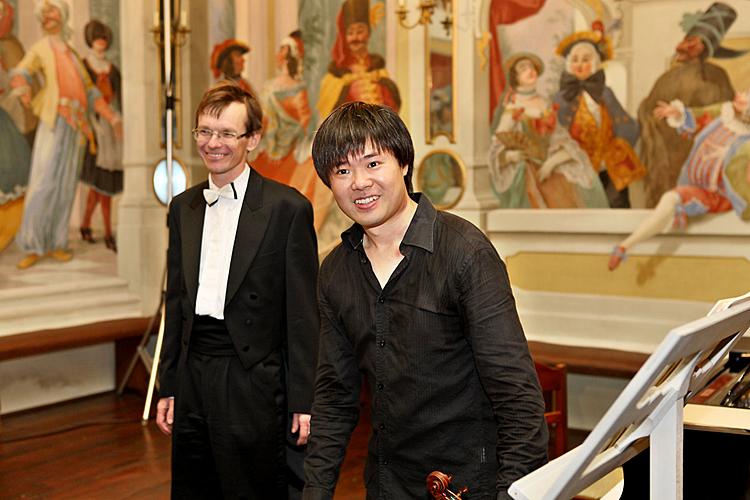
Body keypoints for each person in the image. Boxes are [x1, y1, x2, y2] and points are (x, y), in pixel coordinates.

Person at [302, 102, 548, 499]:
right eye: (342, 171)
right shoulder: (335, 271)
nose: (359, 183)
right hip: (386, 484)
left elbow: (517, 396)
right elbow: (334, 395)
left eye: (372, 163)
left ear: (402, 163)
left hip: (467, 485)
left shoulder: (464, 252)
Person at [155, 81, 319, 498]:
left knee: (253, 487)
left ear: (253, 139)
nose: (214, 143)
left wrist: (306, 399)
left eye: (227, 133)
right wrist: (168, 386)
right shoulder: (182, 208)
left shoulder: (288, 208)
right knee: (195, 486)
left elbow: (303, 315)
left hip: (253, 377)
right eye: (205, 131)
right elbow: (176, 304)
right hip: (193, 373)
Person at [10, 0, 121, 270]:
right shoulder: (40, 48)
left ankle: (56, 242)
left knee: (64, 186)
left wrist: (111, 116)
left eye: (52, 10)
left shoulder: (71, 53)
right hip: (54, 120)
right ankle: (34, 244)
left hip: (76, 126)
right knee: (43, 182)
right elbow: (21, 71)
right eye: (43, 13)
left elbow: (90, 91)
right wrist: (22, 87)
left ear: (62, 14)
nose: (47, 16)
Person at [609, 90, 750, 271]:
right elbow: (700, 115)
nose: (739, 94)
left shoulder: (747, 142)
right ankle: (625, 246)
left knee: (672, 201)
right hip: (693, 183)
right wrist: (678, 114)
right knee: (669, 198)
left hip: (717, 195)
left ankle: (629, 244)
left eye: (746, 96)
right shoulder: (724, 113)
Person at [638, 2, 741, 208]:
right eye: (688, 40)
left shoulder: (716, 77)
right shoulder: (668, 78)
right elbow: (649, 111)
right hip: (667, 151)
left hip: (703, 150)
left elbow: (725, 114)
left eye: (693, 41)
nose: (685, 46)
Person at [488, 52, 609, 208]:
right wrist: (511, 156)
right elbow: (497, 147)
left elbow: (561, 138)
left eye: (532, 67)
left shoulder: (545, 103)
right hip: (528, 167)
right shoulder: (513, 108)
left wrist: (552, 162)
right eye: (523, 68)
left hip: (549, 162)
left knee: (585, 179)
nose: (530, 71)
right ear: (515, 77)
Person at [553, 21, 645, 208]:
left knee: (617, 204)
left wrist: (618, 147)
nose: (580, 64)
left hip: (608, 163)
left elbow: (626, 124)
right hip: (578, 165)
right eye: (576, 59)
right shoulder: (562, 98)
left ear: (594, 64)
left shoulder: (605, 93)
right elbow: (555, 132)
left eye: (585, 59)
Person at [251, 31, 332, 230]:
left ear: (290, 53)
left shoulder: (298, 87)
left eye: (283, 48)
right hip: (269, 146)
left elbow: (304, 119)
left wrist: (291, 133)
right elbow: (262, 117)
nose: (279, 53)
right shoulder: (269, 87)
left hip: (291, 147)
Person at [79, 19, 122, 252]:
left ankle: (87, 225)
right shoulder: (84, 66)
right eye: (97, 37)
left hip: (110, 125)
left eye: (104, 37)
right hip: (92, 127)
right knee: (99, 182)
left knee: (100, 185)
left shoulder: (112, 69)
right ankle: (106, 232)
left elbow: (119, 98)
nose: (101, 42)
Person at [316, 0, 400, 119]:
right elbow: (329, 114)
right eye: (350, 33)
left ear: (368, 33)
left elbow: (393, 107)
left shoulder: (379, 70)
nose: (355, 37)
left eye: (360, 31)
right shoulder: (336, 74)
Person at [0, 0, 34, 252]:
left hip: (5, 118)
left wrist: (21, 91)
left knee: (16, 168)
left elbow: (20, 75)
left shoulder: (10, 46)